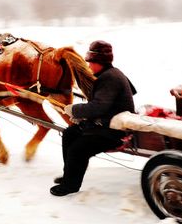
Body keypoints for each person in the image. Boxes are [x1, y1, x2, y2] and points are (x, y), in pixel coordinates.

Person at [51, 40, 137, 196]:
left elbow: (99, 106)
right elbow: (105, 105)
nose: (88, 66)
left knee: (78, 149)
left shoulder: (109, 78)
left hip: (114, 131)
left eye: (91, 62)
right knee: (70, 134)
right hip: (105, 123)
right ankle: (69, 175)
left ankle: (70, 186)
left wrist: (74, 110)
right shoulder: (111, 73)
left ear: (100, 62)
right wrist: (82, 117)